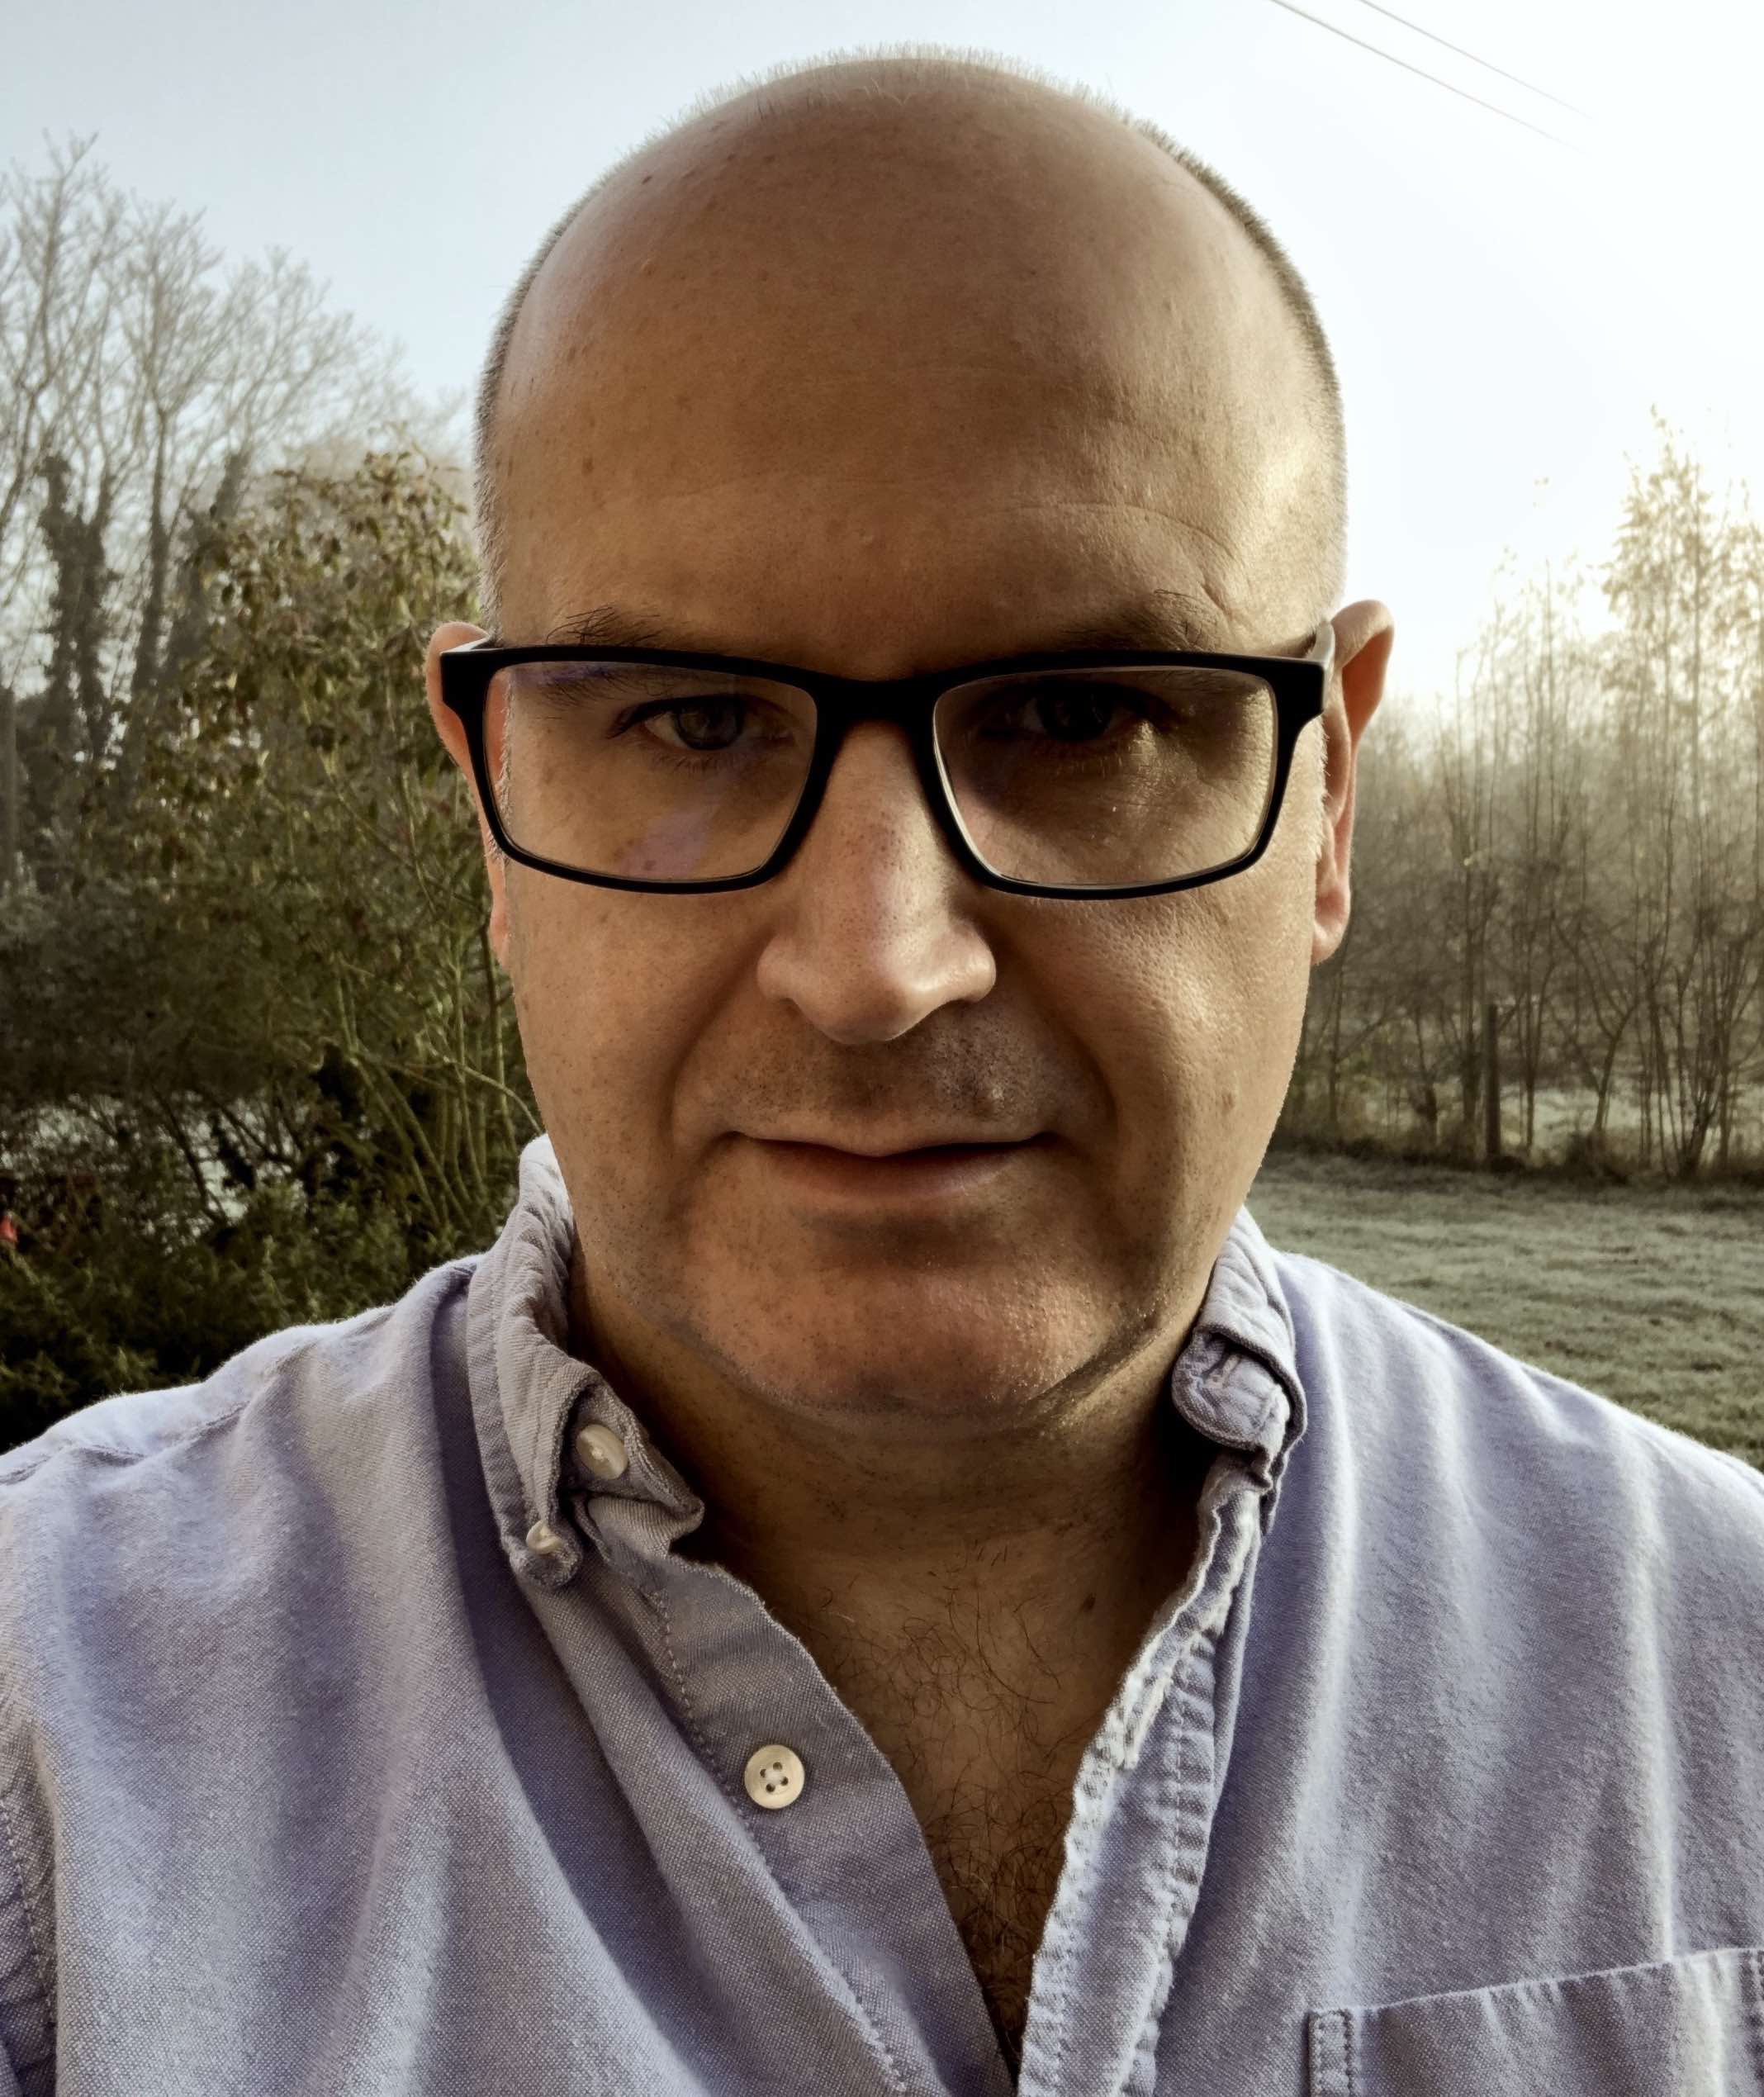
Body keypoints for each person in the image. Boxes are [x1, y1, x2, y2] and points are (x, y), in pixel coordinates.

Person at [2, 46, 1762, 2097]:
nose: (874, 967)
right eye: (690, 719)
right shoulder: (52, 1749)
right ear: (492, 807)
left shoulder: (1721, 1689)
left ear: (1330, 802)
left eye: (1081, 715)